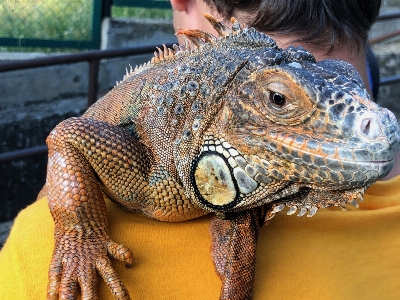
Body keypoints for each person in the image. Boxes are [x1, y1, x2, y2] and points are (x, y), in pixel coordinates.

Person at [1, 0, 399, 299]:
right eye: (278, 99)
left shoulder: (30, 261)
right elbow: (71, 137)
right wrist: (80, 232)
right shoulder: (144, 180)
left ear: (183, 4)